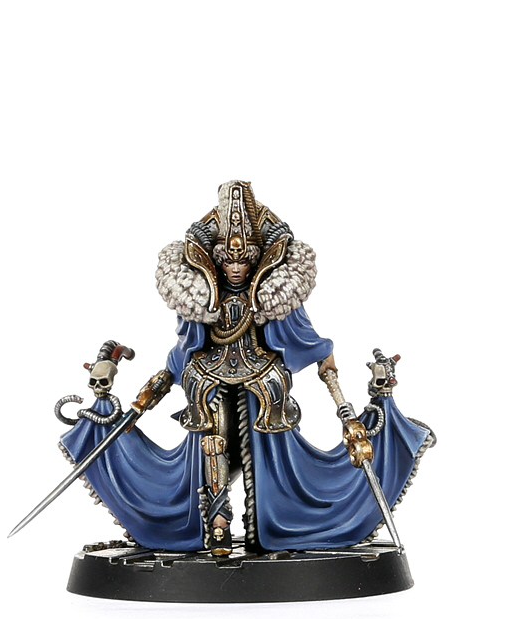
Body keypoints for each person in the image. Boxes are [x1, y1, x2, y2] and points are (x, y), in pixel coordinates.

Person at [60, 181, 433, 556]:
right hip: (206, 383)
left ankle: (273, 521)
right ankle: (217, 525)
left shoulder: (270, 299)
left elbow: (316, 347)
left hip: (264, 386)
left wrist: (343, 407)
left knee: (269, 460)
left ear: (258, 261)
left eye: (244, 261)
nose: (236, 268)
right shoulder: (204, 299)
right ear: (214, 261)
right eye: (229, 261)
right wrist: (143, 401)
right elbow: (181, 354)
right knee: (212, 444)